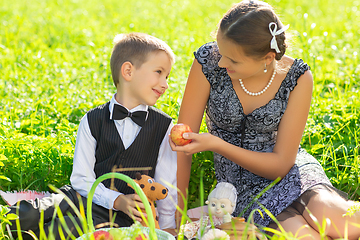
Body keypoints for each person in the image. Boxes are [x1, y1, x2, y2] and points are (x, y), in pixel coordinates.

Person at [170, 1, 360, 239]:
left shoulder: (297, 77)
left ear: (268, 58)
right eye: (221, 52)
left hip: (290, 171)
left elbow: (281, 165)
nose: (221, 63)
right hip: (239, 188)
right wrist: (176, 209)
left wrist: (216, 144)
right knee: (304, 237)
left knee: (345, 223)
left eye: (233, 60)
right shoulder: (208, 62)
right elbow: (182, 145)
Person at [7, 32, 177, 239]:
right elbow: (81, 179)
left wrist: (166, 229)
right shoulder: (93, 119)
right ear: (128, 71)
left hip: (121, 216)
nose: (165, 84)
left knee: (65, 228)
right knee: (28, 214)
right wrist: (115, 198)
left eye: (166, 76)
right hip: (79, 194)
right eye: (159, 72)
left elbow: (167, 186)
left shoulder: (164, 126)